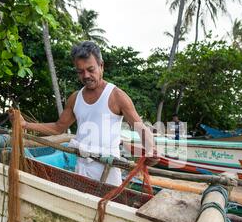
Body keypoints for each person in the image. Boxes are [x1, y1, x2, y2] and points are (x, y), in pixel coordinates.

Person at [9, 41, 155, 186]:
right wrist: (25, 124)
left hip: (108, 169)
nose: (86, 75)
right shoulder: (75, 98)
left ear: (101, 66)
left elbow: (139, 126)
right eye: (80, 71)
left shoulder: (116, 96)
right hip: (81, 167)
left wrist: (150, 149)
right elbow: (58, 127)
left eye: (90, 69)